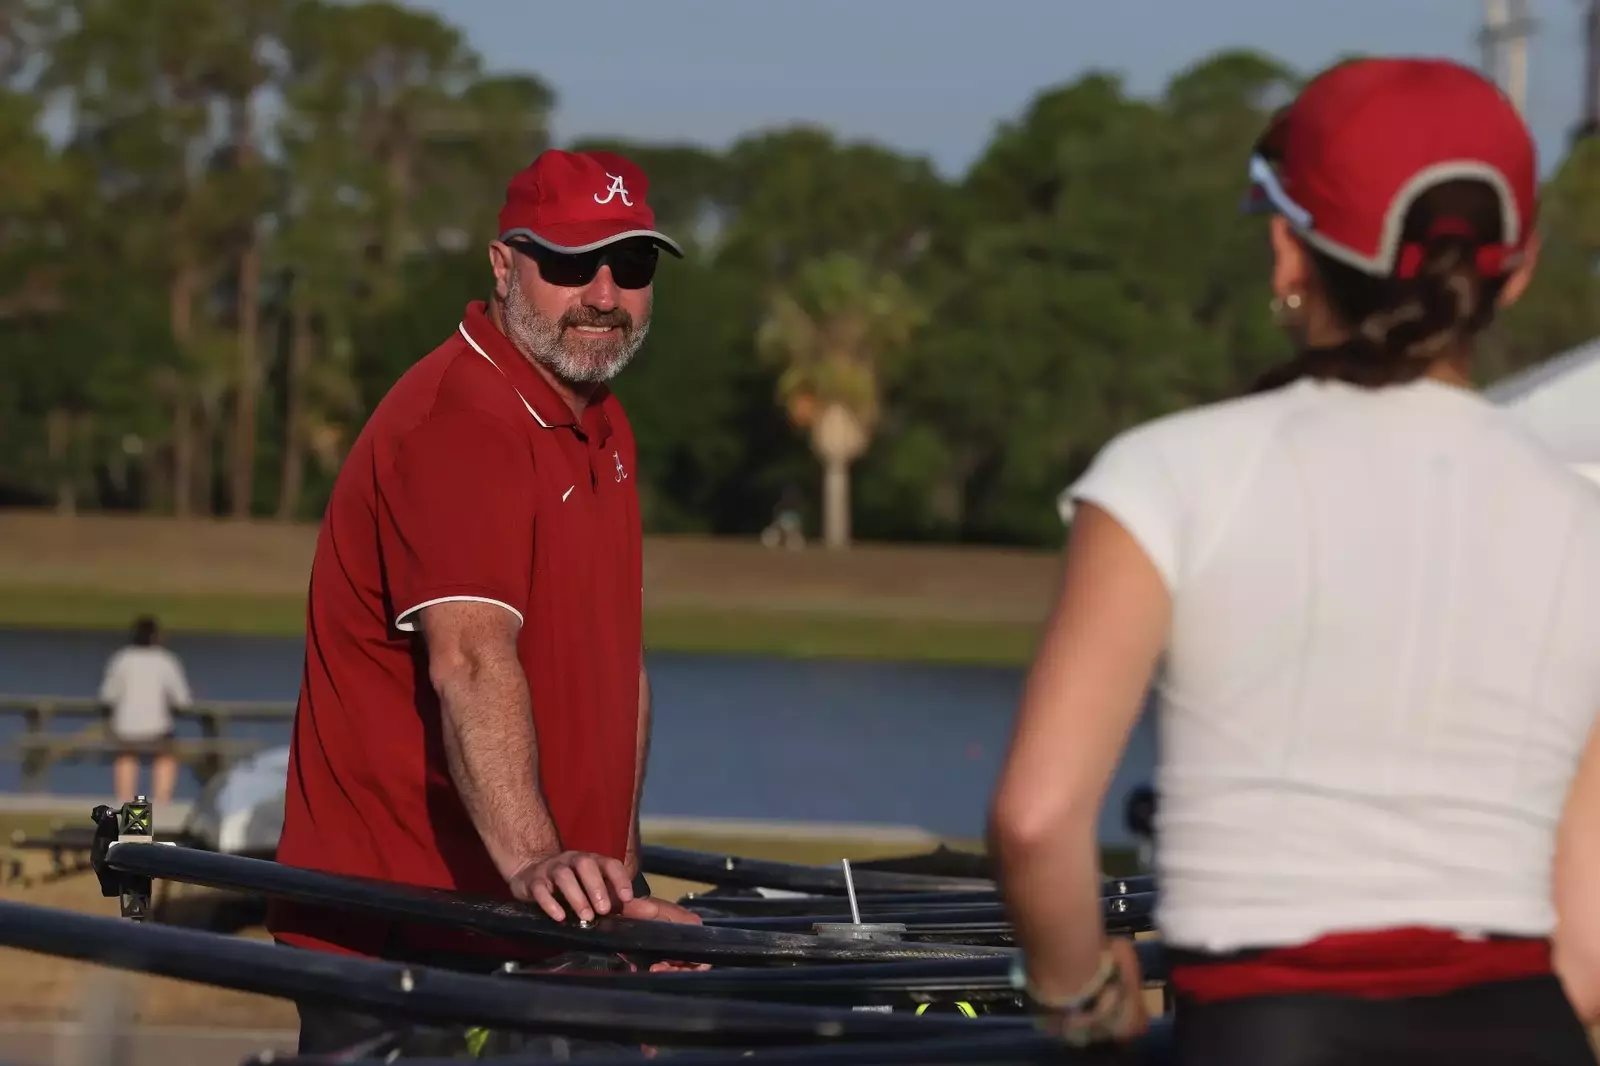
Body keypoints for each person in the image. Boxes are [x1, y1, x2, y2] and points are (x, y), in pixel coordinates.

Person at [988, 56, 1600, 1065]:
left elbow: (1036, 817)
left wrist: (1079, 998)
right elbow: (1583, 956)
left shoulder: (1166, 474)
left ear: (1287, 251)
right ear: (1517, 269)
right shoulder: (1583, 519)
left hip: (1267, 1032)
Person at [264, 148, 705, 1057]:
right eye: (572, 263)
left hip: (527, 928)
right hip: (404, 937)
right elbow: (467, 658)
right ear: (504, 266)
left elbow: (620, 673)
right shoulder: (462, 420)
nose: (604, 293)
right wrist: (539, 863)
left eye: (633, 266)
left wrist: (614, 896)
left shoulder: (599, 416)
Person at [98, 615, 191, 805]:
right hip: (157, 730)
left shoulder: (121, 660)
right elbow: (182, 701)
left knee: (126, 756)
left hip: (125, 729)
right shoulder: (166, 661)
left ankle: (126, 801)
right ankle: (161, 802)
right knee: (166, 756)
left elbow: (107, 696)